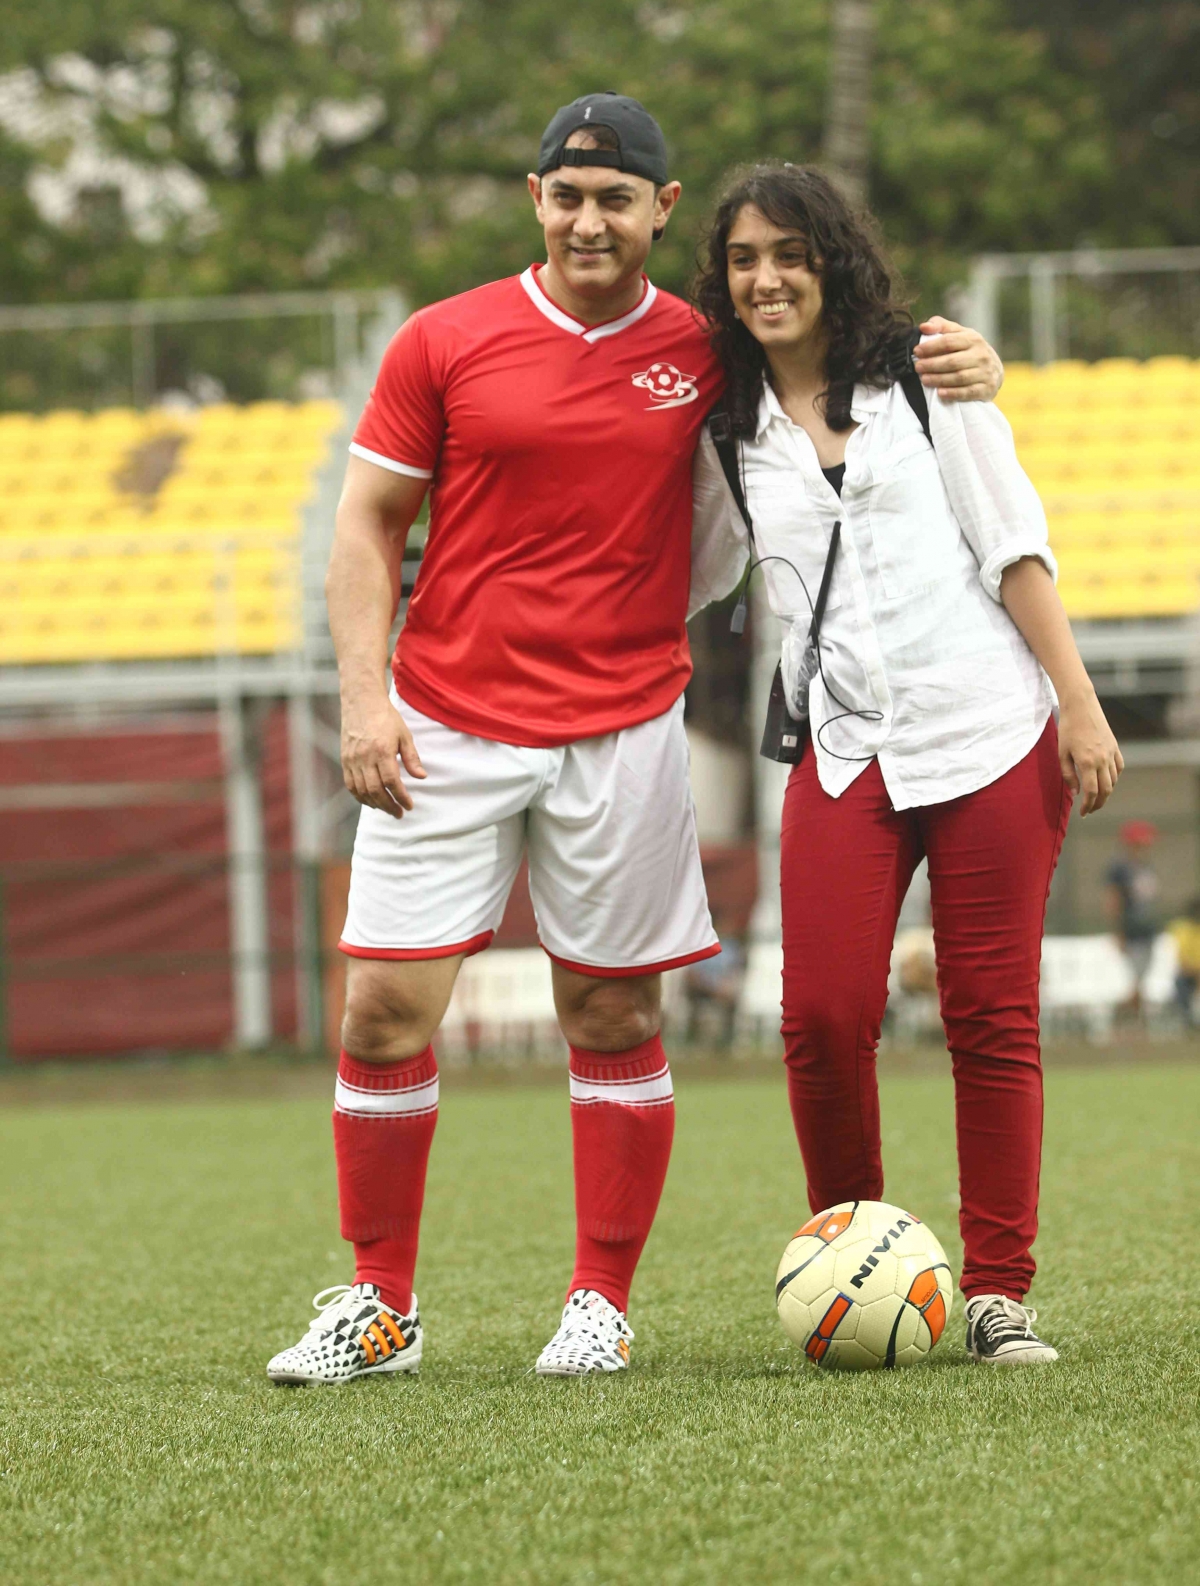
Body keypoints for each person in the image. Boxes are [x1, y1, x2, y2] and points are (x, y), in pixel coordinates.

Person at [267, 102, 1004, 1385]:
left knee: (611, 1012)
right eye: (567, 196)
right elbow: (368, 526)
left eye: (617, 198)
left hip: (623, 728)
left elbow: (848, 353)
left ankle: (598, 1303)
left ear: (665, 213)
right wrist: (363, 701)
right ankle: (379, 1303)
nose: (588, 220)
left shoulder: (705, 352)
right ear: (534, 201)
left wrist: (974, 362)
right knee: (383, 1013)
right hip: (443, 719)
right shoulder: (443, 340)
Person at [689, 161, 1123, 1365]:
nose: (767, 277)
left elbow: (1014, 547)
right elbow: (684, 574)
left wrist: (1077, 706)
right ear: (723, 284)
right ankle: (851, 1251)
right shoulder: (727, 431)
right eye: (743, 260)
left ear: (832, 260)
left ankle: (996, 1292)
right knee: (822, 1013)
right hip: (844, 747)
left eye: (790, 253)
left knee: (992, 1015)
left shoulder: (930, 381)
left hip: (989, 725)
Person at [1105, 820, 1161, 1019]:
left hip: (1148, 930)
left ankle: (1132, 1020)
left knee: (1141, 980)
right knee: (1136, 979)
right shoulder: (1120, 869)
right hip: (1131, 930)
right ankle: (1121, 1015)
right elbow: (1114, 900)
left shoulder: (1146, 867)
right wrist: (1118, 931)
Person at [1167, 896, 1200, 1029]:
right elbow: (1181, 960)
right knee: (1180, 982)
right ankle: (1187, 1020)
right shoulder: (1182, 929)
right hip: (1189, 973)